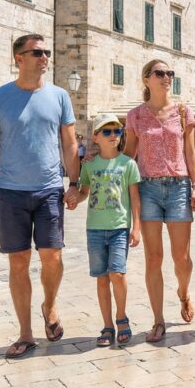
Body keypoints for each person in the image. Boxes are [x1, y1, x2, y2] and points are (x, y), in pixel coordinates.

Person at [0, 34, 79, 359]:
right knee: (18, 263)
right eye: (37, 52)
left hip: (49, 190)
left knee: (53, 257)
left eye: (46, 51)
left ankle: (50, 304)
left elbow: (70, 145)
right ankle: (26, 333)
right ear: (19, 58)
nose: (45, 56)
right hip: (11, 193)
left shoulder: (59, 96)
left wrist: (74, 183)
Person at [124, 59, 195, 343]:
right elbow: (129, 153)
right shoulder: (135, 116)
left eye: (169, 73)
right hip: (148, 189)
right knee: (153, 257)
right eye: (160, 73)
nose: (166, 77)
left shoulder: (183, 112)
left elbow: (191, 153)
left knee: (182, 258)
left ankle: (184, 292)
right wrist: (105, 165)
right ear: (146, 79)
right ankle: (158, 319)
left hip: (179, 186)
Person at [67, 114, 142, 347]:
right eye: (107, 132)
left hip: (119, 227)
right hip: (95, 229)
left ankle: (122, 318)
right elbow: (84, 192)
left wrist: (136, 227)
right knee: (101, 279)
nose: (113, 136)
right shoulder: (89, 164)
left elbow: (135, 199)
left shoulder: (128, 164)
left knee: (117, 274)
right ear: (96, 137)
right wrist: (73, 199)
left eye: (117, 132)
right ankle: (107, 325)